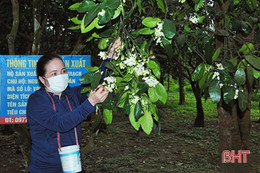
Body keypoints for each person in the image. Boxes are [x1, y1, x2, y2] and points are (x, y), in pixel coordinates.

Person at [26, 38, 121, 173]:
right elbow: (60, 124)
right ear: (42, 79)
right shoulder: (36, 100)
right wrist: (90, 103)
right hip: (45, 168)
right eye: (54, 73)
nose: (61, 75)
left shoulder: (72, 94)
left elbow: (97, 82)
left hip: (73, 165)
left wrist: (110, 57)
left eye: (63, 71)